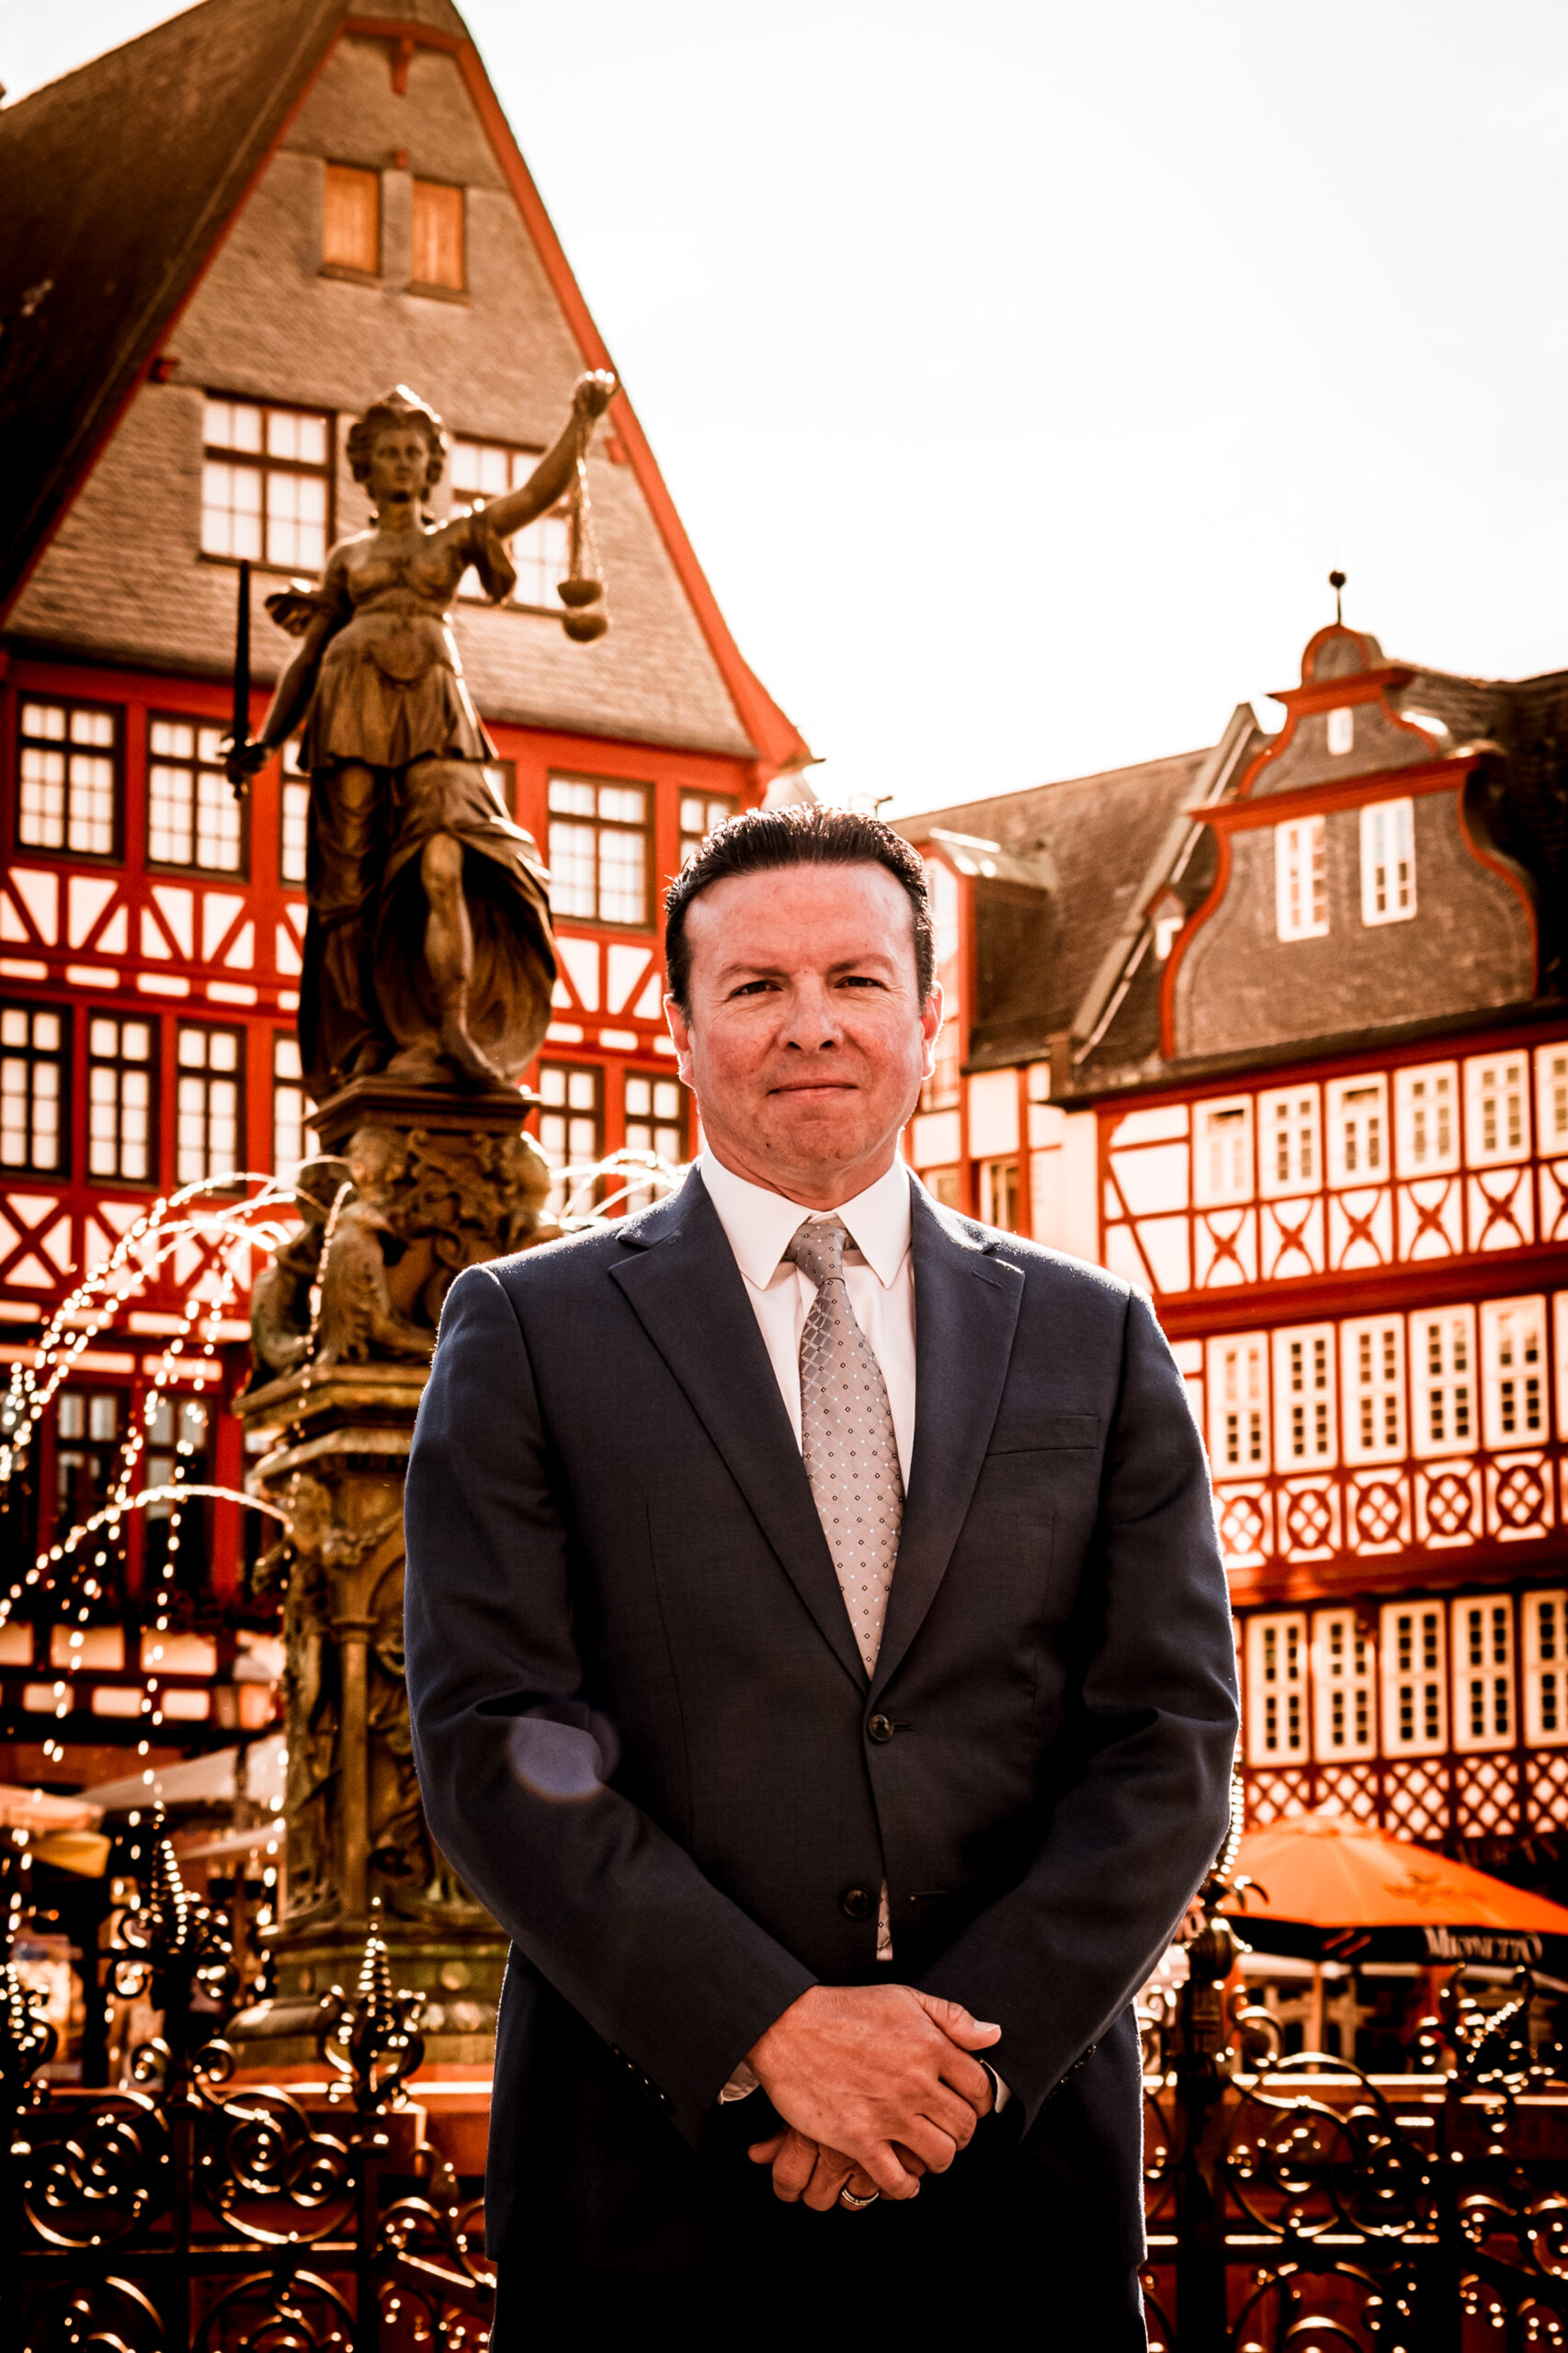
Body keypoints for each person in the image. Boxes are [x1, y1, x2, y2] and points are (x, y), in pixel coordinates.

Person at [403, 804, 1239, 2342]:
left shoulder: (1095, 1335)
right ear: (676, 1028)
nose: (811, 1026)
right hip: (643, 2216)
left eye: (856, 980)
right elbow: (491, 1741)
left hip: (1015, 2205)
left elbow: (1169, 1750)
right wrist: (768, 2031)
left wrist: (950, 2074)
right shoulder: (526, 1330)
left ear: (933, 1016)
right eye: (754, 986)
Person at [228, 372, 615, 1097]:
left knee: (448, 861)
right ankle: (364, 1043)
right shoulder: (347, 560)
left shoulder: (457, 539)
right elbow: (308, 656)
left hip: (436, 711)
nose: (403, 463)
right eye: (389, 454)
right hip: (350, 710)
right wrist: (265, 741)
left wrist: (579, 424)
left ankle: (452, 1026)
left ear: (431, 467)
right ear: (366, 471)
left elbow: (533, 497)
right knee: (348, 886)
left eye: (414, 452)